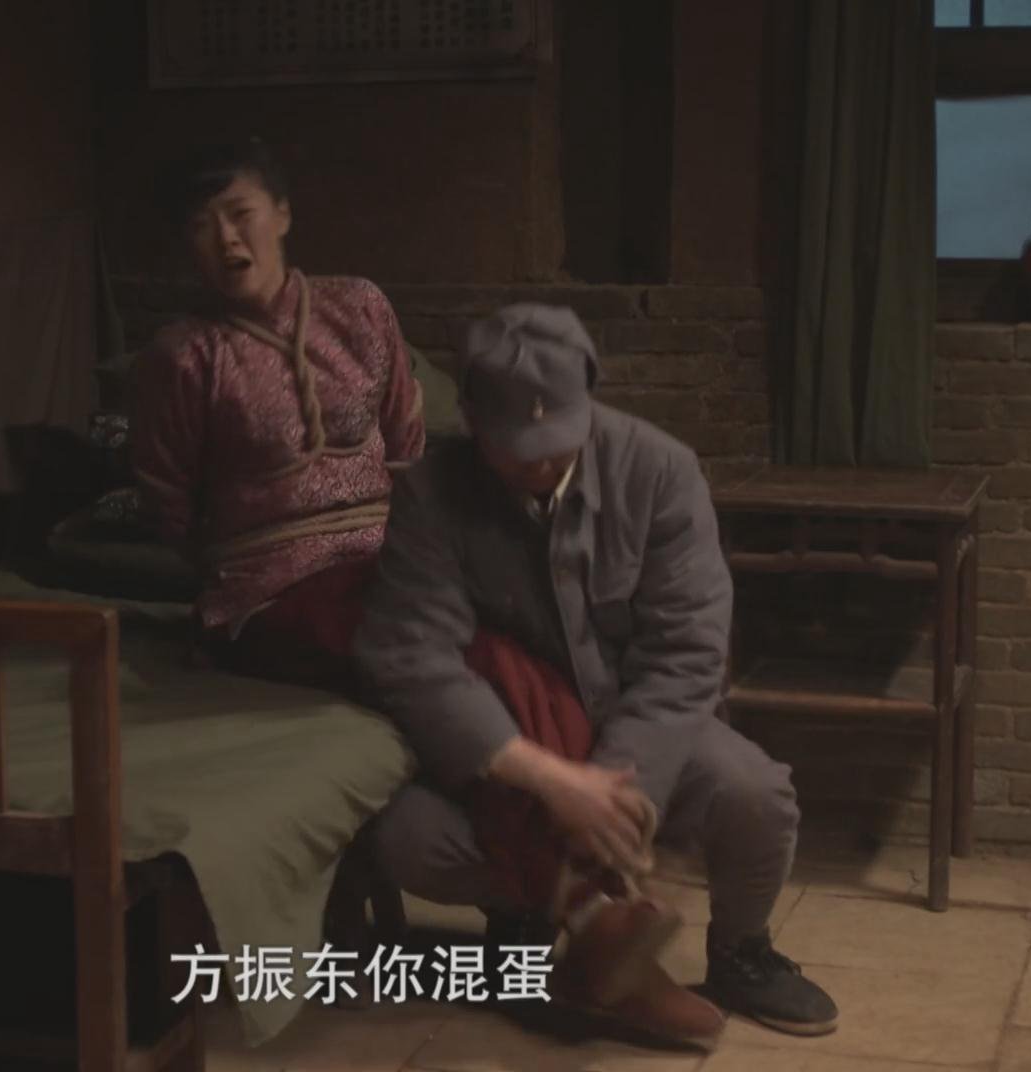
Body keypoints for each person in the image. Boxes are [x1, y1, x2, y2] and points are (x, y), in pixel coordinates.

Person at [350, 304, 839, 1049]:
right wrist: (552, 782)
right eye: (519, 450)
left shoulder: (661, 470)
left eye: (560, 441)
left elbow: (686, 652)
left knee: (756, 795)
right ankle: (535, 919)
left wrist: (615, 796)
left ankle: (742, 953)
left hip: (640, 729)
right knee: (408, 836)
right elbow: (413, 657)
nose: (543, 465)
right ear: (473, 422)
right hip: (514, 738)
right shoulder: (431, 493)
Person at [130, 139, 424, 681]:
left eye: (241, 214)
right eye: (202, 226)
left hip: (386, 568)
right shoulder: (186, 356)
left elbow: (407, 444)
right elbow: (167, 501)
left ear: (282, 215)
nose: (226, 238)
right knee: (411, 642)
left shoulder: (360, 308)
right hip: (269, 591)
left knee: (491, 626)